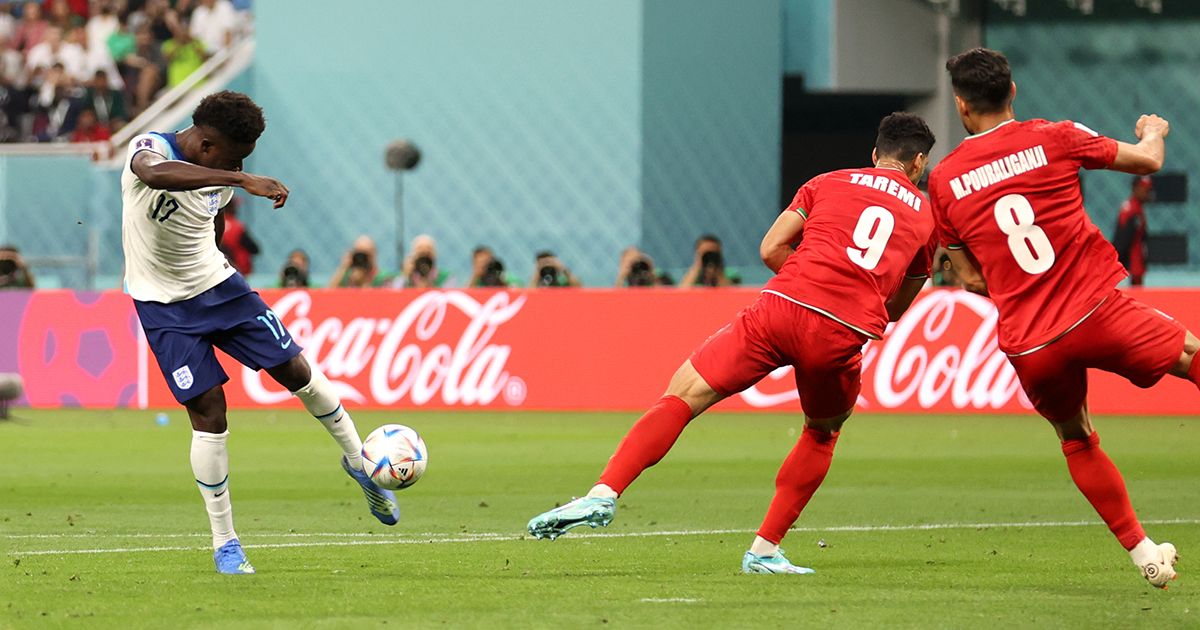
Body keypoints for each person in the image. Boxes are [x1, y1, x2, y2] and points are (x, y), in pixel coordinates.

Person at [527, 113, 938, 574]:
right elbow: (899, 305)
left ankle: (603, 493)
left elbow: (769, 249)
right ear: (918, 162)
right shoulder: (925, 215)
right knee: (822, 433)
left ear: (875, 154)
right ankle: (764, 550)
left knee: (682, 396)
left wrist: (807, 280)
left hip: (781, 308)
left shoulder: (827, 182)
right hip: (840, 331)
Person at [930, 48, 1199, 589]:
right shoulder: (1054, 136)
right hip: (1095, 310)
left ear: (961, 105)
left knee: (1077, 439)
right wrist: (1153, 129)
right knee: (1193, 358)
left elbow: (972, 279)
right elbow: (1147, 161)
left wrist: (1017, 289)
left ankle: (1143, 552)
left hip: (1030, 343)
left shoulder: (943, 180)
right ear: (1014, 92)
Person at [120, 91, 401, 575]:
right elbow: (152, 173)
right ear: (207, 145)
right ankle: (225, 542)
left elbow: (212, 214)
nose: (241, 164)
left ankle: (359, 461)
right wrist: (241, 177)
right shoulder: (154, 148)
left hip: (219, 287)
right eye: (234, 157)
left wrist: (226, 214)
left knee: (295, 369)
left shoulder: (220, 173)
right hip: (162, 305)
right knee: (209, 412)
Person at [1113, 176, 1153, 287]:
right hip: (1130, 266)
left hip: (1137, 265)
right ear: (1135, 188)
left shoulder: (1138, 209)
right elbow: (1122, 239)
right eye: (1144, 189)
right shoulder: (1131, 210)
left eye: (1149, 190)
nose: (1147, 193)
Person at [217, 199, 257, 275]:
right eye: (235, 206)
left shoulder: (213, 224)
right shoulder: (237, 226)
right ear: (230, 207)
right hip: (237, 270)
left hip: (217, 270)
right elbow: (254, 249)